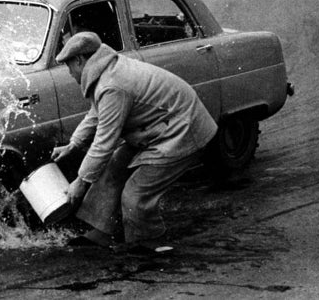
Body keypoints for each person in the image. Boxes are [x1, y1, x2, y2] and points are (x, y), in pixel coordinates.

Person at [51, 31, 217, 251]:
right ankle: (102, 231)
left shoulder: (112, 85)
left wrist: (81, 181)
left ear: (80, 60)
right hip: (159, 128)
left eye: (69, 65)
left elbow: (104, 141)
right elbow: (96, 113)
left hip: (182, 130)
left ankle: (147, 243)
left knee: (136, 193)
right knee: (113, 167)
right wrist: (73, 144)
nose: (70, 72)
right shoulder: (107, 71)